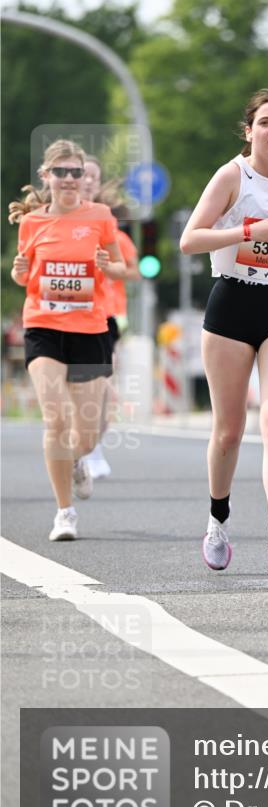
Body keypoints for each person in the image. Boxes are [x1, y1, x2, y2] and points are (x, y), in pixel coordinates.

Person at [179, 88, 268, 573]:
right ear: (249, 131)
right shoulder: (231, 175)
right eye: (265, 123)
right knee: (229, 432)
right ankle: (218, 518)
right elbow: (189, 239)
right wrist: (244, 234)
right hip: (231, 304)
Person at [9, 139, 126, 541]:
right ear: (46, 177)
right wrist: (19, 272)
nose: (70, 179)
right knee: (55, 419)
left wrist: (109, 265)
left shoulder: (101, 217)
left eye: (76, 172)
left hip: (90, 330)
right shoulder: (31, 223)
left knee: (87, 434)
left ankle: (77, 459)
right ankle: (65, 513)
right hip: (43, 325)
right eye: (61, 172)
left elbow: (123, 268)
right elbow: (24, 278)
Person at [81, 156, 140, 478]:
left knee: (102, 385)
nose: (87, 181)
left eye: (93, 176)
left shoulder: (111, 228)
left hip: (107, 315)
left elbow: (135, 271)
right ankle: (75, 444)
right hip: (64, 314)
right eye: (81, 174)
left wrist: (109, 267)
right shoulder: (54, 220)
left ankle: (94, 448)